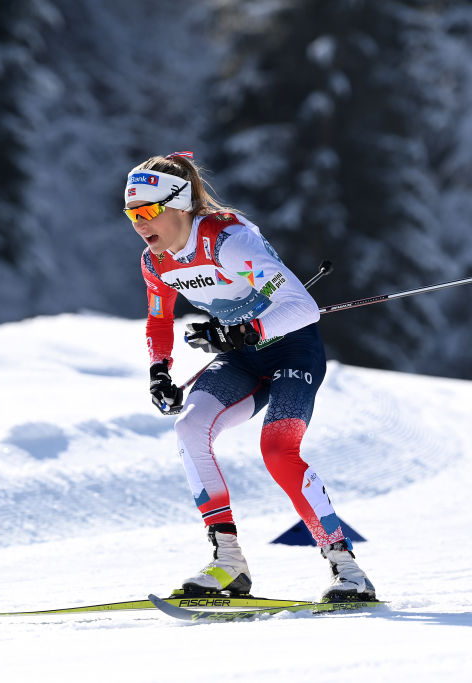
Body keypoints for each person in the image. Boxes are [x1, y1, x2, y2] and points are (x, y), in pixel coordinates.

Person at [124, 151, 377, 602]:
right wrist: (159, 371)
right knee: (190, 428)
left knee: (278, 451)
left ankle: (347, 570)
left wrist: (245, 329)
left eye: (147, 212)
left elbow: (302, 309)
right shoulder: (156, 262)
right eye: (131, 214)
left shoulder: (228, 240)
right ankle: (228, 563)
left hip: (290, 348)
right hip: (241, 358)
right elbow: (158, 320)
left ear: (178, 205)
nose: (140, 225)